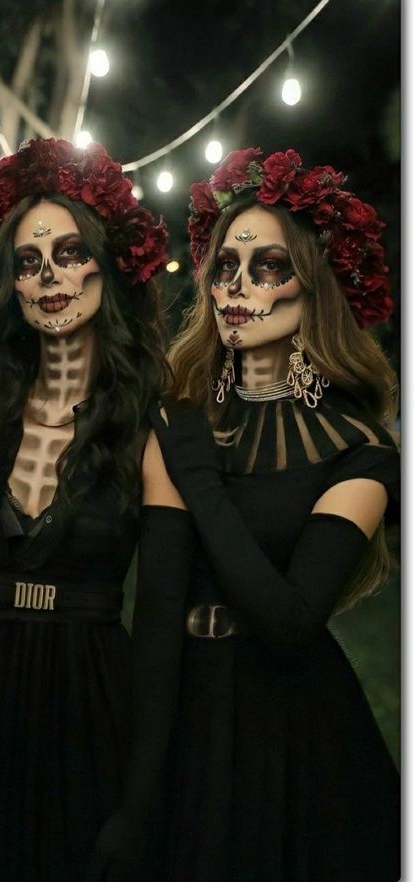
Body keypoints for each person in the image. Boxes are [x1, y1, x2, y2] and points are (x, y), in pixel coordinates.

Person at [150, 147, 400, 881]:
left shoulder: (363, 450)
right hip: (184, 704)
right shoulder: (182, 414)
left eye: (269, 268)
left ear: (314, 289)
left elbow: (292, 623)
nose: (238, 287)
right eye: (225, 266)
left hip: (292, 730)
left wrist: (198, 476)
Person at [0, 137, 192, 882]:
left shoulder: (152, 424)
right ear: (9, 285)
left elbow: (159, 630)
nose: (50, 274)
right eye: (28, 260)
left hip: (92, 704)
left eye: (70, 253)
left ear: (108, 266)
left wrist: (141, 803)